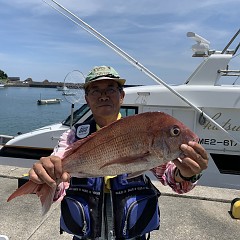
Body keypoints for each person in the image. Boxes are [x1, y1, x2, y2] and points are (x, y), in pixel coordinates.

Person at [29, 65, 208, 240]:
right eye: (95, 90)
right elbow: (58, 174)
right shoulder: (72, 137)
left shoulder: (144, 133)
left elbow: (172, 177)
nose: (103, 95)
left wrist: (187, 174)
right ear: (87, 99)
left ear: (122, 96)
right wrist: (46, 176)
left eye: (111, 89)